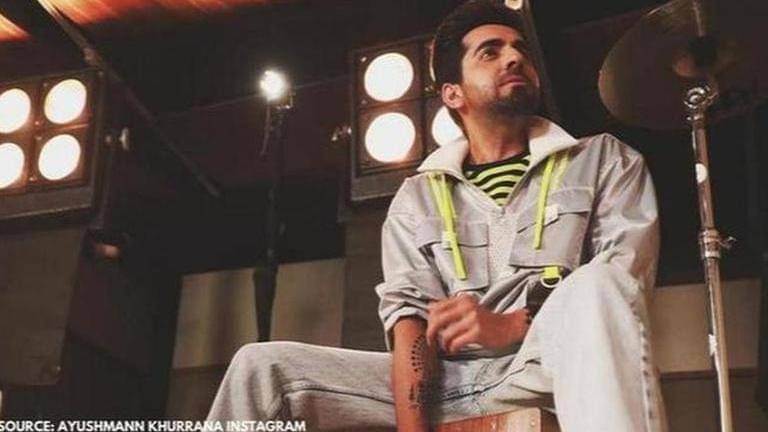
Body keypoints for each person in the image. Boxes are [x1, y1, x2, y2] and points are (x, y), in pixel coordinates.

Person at [207, 1, 668, 430]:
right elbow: (410, 322)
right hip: (450, 385)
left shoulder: (602, 159)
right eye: (490, 52)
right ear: (452, 93)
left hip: (549, 365)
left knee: (597, 283)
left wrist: (511, 325)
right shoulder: (418, 197)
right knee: (260, 369)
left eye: (520, 49)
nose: (514, 57)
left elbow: (623, 283)